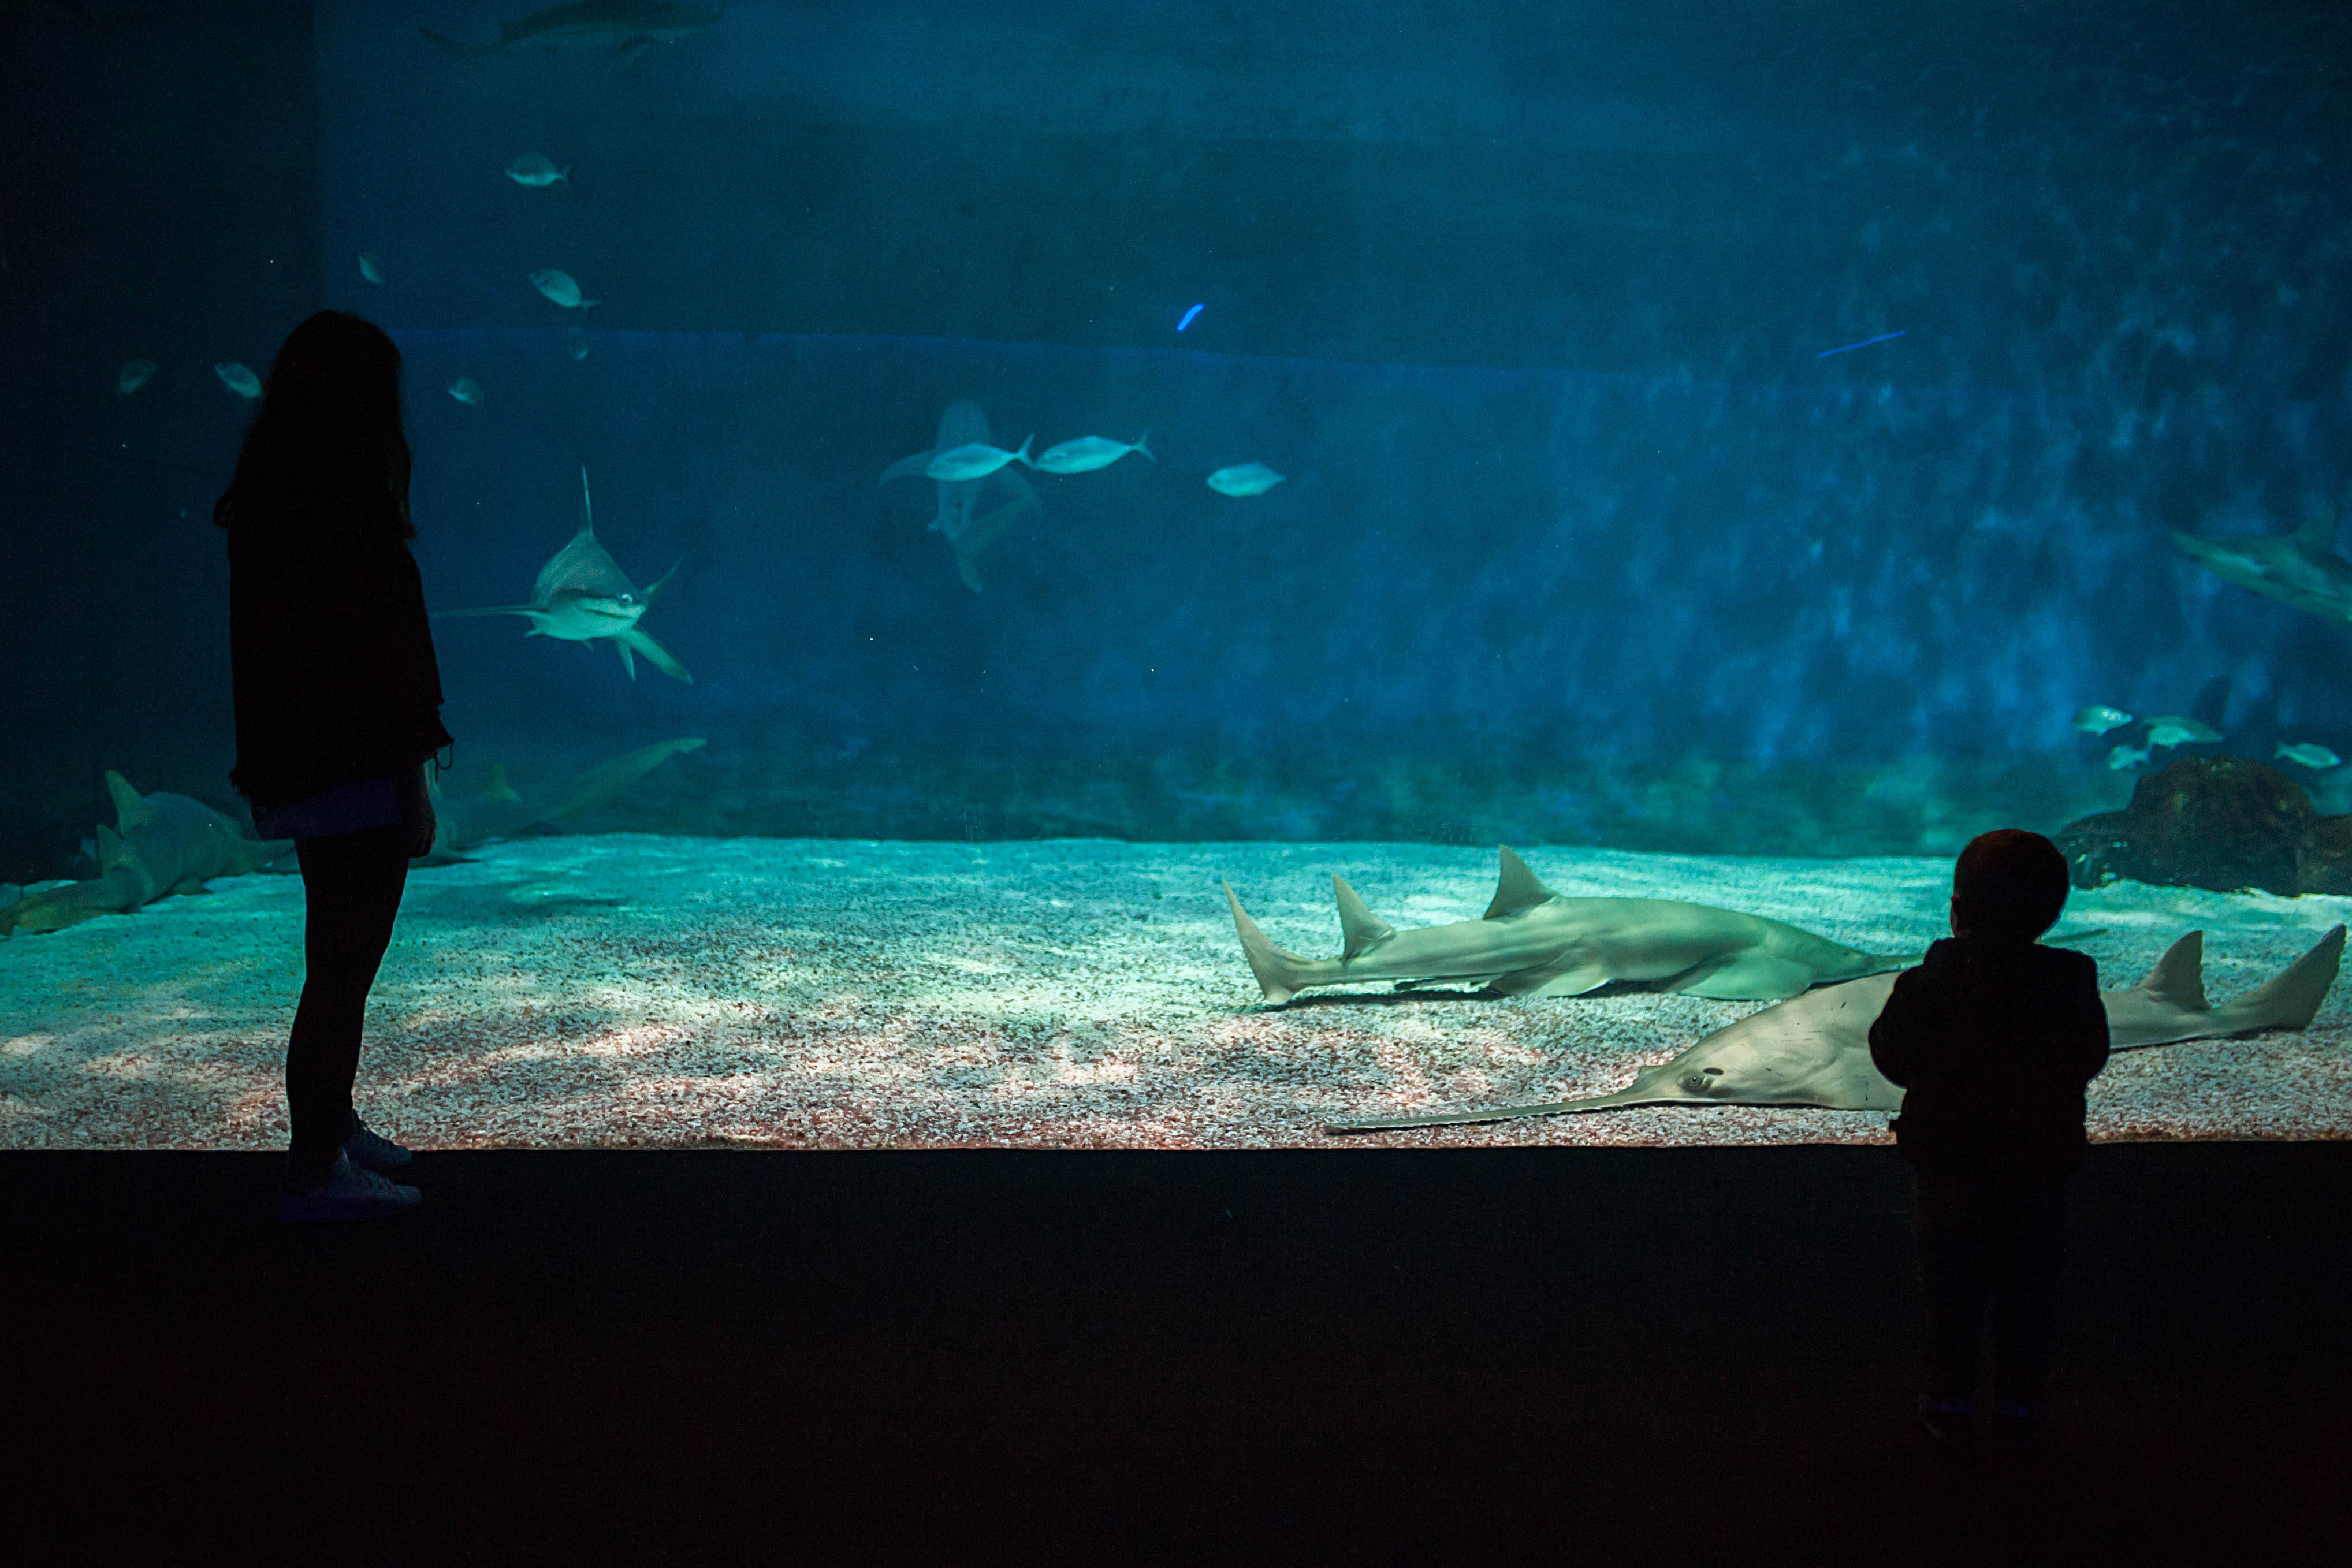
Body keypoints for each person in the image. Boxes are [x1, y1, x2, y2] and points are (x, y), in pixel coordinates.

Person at [215, 310, 453, 1224]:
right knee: (345, 967)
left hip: (307, 762)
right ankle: (314, 1170)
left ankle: (331, 1122)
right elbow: (383, 658)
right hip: (356, 766)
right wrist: (413, 774)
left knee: (337, 961)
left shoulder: (272, 504)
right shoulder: (343, 515)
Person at [1868, 828, 2111, 1448]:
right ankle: (2019, 1410)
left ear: (1955, 908)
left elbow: (1891, 1059)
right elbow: (2090, 1056)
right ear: (2054, 914)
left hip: (1950, 1169)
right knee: (2028, 1294)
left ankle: (1946, 1404)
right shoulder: (2072, 979)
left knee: (1951, 1293)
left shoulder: (1929, 981)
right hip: (2039, 1168)